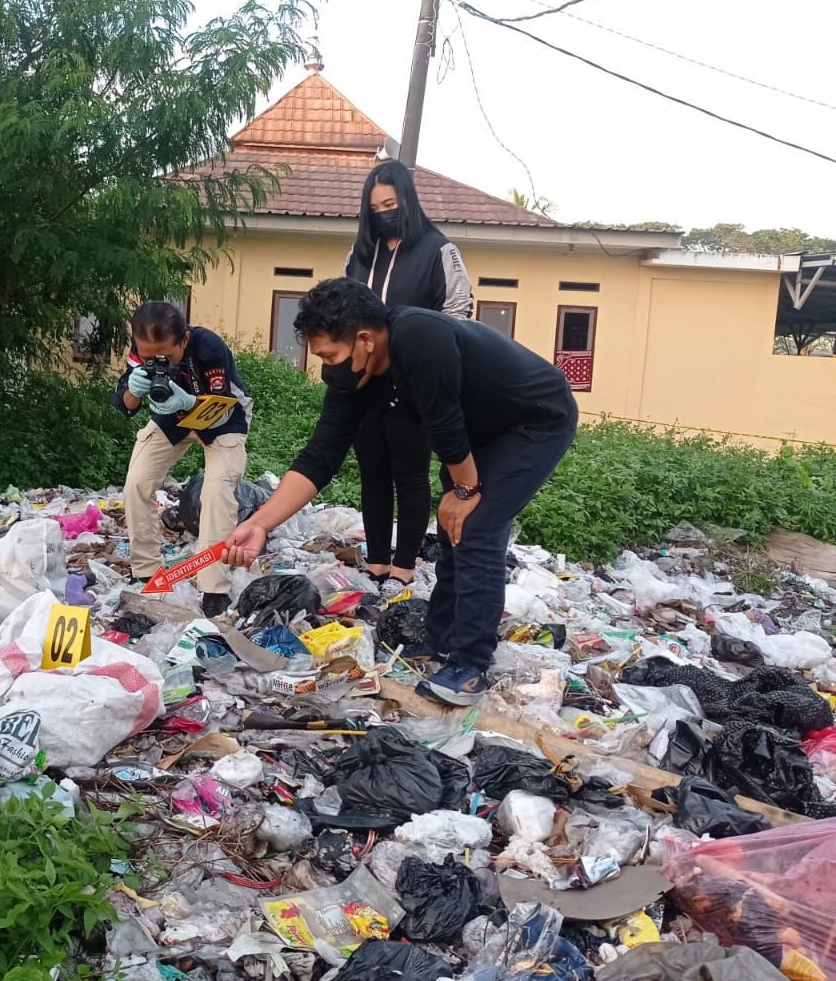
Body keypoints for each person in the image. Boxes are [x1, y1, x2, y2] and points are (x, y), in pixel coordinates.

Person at [224, 278, 576, 705]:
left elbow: (444, 425)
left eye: (330, 354)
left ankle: (469, 669)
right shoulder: (354, 376)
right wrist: (259, 523)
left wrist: (465, 492)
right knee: (451, 530)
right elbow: (320, 456)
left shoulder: (420, 336)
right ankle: (441, 641)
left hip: (535, 420)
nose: (326, 367)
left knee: (477, 526)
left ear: (365, 340)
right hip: (478, 433)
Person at [344, 160, 472, 600]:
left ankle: (403, 566)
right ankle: (377, 560)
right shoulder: (359, 254)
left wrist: (429, 364)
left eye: (391, 204)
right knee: (372, 471)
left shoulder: (439, 250)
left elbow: (458, 314)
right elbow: (343, 310)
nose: (384, 213)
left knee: (411, 475)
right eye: (375, 206)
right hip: (366, 380)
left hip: (414, 384)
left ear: (408, 201)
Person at [112, 301, 252, 619]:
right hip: (171, 417)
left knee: (216, 491)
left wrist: (190, 401)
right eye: (149, 357)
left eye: (165, 355)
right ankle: (147, 573)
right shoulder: (139, 352)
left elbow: (226, 401)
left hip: (222, 416)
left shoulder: (209, 347)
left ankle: (215, 590)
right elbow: (122, 402)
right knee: (136, 483)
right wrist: (133, 389)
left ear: (184, 340)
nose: (157, 361)